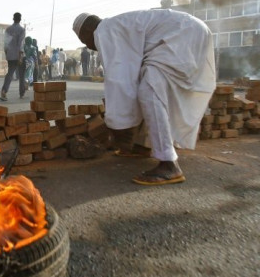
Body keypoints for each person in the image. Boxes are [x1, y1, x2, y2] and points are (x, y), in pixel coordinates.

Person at [73, 10, 216, 186]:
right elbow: (131, 76)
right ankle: (143, 145)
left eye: (84, 41)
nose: (88, 46)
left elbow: (118, 78)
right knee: (145, 84)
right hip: (191, 30)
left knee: (150, 91)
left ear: (88, 31)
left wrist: (118, 124)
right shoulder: (118, 25)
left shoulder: (104, 30)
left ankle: (169, 165)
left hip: (181, 34)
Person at [0, 12, 26, 101]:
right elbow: (20, 44)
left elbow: (5, 44)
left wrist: (7, 54)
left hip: (10, 55)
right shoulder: (22, 30)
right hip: (18, 55)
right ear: (20, 19)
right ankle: (22, 93)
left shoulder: (8, 29)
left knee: (10, 74)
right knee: (22, 75)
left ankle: (4, 91)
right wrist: (20, 57)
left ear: (13, 18)